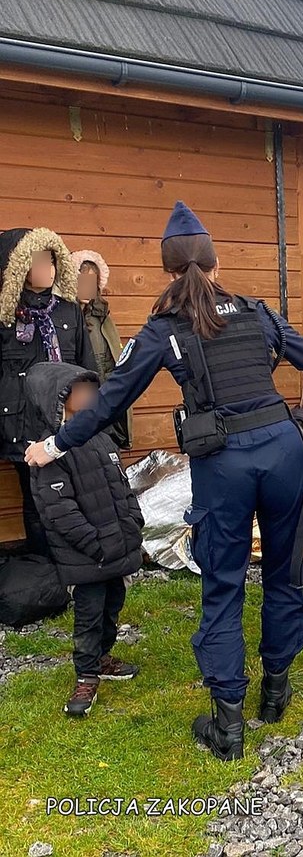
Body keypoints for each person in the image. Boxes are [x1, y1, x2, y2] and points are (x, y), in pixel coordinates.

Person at [26, 202, 303, 761]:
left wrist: (53, 445)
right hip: (285, 451)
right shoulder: (255, 313)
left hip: (225, 463)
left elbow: (111, 400)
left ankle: (229, 724)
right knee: (286, 574)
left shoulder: (163, 331)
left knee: (223, 585)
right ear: (215, 265)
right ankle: (276, 689)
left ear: (169, 272)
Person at [26, 363, 143, 717]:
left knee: (113, 605)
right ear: (61, 399)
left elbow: (121, 487)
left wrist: (133, 523)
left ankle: (103, 657)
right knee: (89, 615)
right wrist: (96, 544)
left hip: (115, 550)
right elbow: (59, 513)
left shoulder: (102, 438)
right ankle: (86, 675)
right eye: (82, 391)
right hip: (88, 556)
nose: (92, 396)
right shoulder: (49, 453)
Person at [0, 227, 96, 556]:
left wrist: (93, 414)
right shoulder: (4, 316)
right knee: (36, 498)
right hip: (21, 424)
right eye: (38, 260)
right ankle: (45, 566)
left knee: (76, 493)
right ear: (18, 267)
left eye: (51, 260)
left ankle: (79, 563)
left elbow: (87, 366)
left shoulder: (67, 311)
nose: (47, 267)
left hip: (68, 421)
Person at [71, 249, 132, 449]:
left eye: (92, 282)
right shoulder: (66, 318)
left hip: (107, 399)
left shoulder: (103, 317)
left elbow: (115, 357)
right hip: (80, 400)